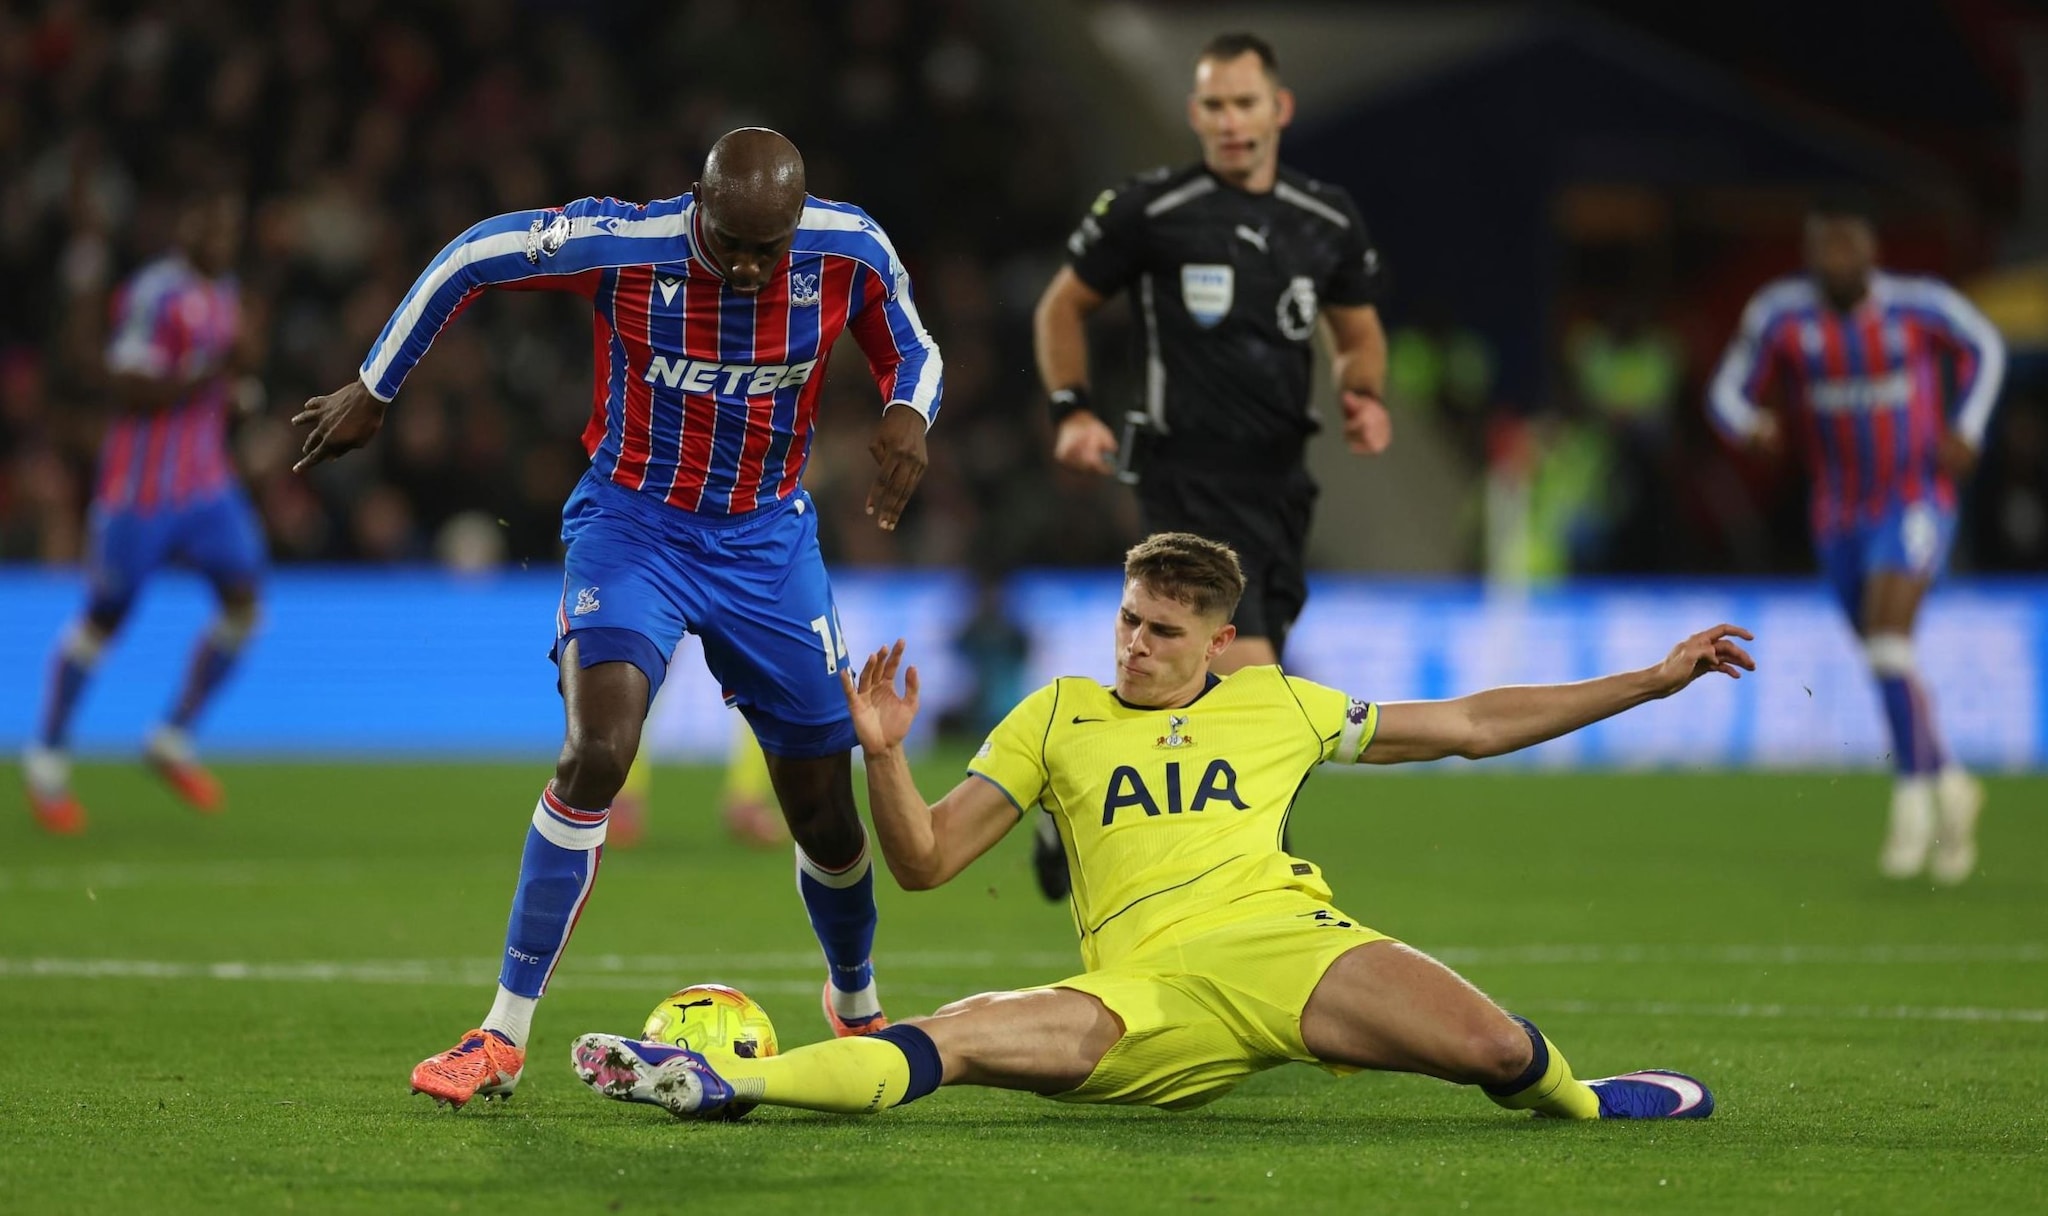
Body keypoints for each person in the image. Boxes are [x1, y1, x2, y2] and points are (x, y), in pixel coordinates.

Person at [569, 532, 1748, 1123]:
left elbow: (1473, 725)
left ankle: (1589, 1100)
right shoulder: (1054, 717)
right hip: (1144, 992)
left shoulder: (1278, 703)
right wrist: (881, 754)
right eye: (1128, 620)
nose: (1134, 645)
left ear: (1217, 644)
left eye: (1162, 632)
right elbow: (922, 862)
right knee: (956, 1035)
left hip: (1290, 946)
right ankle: (729, 1082)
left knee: (1497, 1053)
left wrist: (1647, 682)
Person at [292, 128, 943, 1106]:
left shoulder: (848, 249)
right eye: (731, 245)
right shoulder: (625, 245)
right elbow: (472, 255)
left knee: (822, 807)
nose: (750, 268)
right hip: (633, 527)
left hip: (767, 543)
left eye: (768, 250)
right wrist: (377, 385)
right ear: (697, 205)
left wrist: (908, 411)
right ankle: (501, 1033)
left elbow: (915, 349)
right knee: (596, 751)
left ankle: (855, 1002)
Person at [1027, 32, 1393, 897]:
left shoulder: (1326, 219)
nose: (1231, 121)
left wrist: (1364, 394)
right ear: (1195, 114)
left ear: (1279, 109)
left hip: (1281, 486)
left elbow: (1357, 331)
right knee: (1254, 688)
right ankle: (1263, 883)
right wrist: (1071, 410)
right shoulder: (1153, 209)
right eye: (1216, 106)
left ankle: (1067, 803)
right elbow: (1060, 309)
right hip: (1184, 476)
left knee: (1203, 689)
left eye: (1245, 103)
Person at [1709, 193, 2004, 885]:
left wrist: (1969, 426)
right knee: (1883, 655)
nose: (1836, 260)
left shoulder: (1918, 306)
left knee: (1890, 641)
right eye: (1825, 247)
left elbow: (1986, 347)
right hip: (1837, 510)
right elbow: (1725, 391)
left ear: (1870, 250)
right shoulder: (1781, 315)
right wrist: (1750, 426)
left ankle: (1913, 803)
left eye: (1847, 246)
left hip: (1914, 495)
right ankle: (1951, 781)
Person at [23, 188, 263, 834]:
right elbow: (127, 386)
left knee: (245, 602)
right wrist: (211, 372)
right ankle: (46, 758)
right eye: (208, 225)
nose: (219, 239)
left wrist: (236, 392)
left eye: (228, 228)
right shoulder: (154, 294)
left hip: (206, 485)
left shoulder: (227, 292)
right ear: (186, 228)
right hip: (140, 491)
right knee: (107, 618)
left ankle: (172, 737)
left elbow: (223, 379)